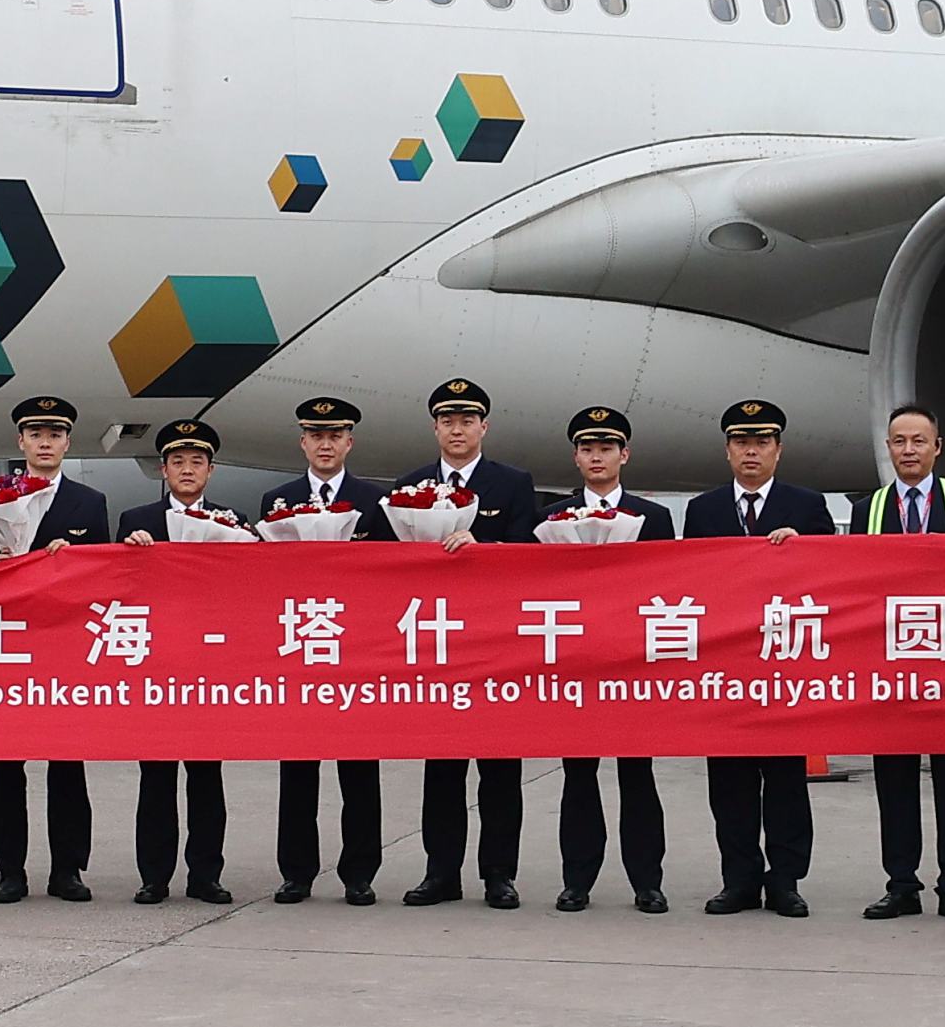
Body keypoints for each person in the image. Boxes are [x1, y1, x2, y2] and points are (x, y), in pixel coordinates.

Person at [683, 398, 829, 916]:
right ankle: (739, 878)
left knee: (786, 780)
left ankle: (786, 879)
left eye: (762, 441)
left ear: (778, 450)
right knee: (731, 781)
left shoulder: (807, 507)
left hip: (783, 663)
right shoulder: (703, 511)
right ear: (727, 451)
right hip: (726, 668)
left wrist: (804, 548)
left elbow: (830, 580)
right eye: (742, 442)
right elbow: (687, 586)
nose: (752, 450)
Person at [399, 377, 538, 907]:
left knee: (501, 768)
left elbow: (530, 551)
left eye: (467, 421)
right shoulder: (409, 487)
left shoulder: (513, 483)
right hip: (438, 644)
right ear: (435, 427)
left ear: (484, 426)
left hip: (496, 643)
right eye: (447, 421)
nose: (457, 430)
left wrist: (488, 546)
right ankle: (441, 873)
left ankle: (499, 874)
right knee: (442, 768)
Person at [859, 402, 945, 921]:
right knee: (894, 778)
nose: (908, 450)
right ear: (888, 448)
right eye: (899, 442)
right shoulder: (871, 507)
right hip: (892, 665)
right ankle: (901, 883)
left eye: (918, 441)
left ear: (938, 447)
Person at [542, 407, 674, 913]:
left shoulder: (653, 518)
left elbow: (669, 589)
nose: (597, 457)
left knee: (636, 775)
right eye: (588, 449)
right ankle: (578, 880)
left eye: (607, 448)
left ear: (625, 455)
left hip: (632, 665)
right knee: (578, 776)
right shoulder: (553, 519)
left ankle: (647, 881)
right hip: (577, 664)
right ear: (576, 457)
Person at [263, 394, 392, 903]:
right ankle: (297, 871)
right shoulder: (277, 499)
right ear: (303, 442)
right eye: (316, 436)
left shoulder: (377, 501)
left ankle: (359, 873)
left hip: (356, 651)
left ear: (349, 442)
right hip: (299, 648)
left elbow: (391, 578)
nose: (325, 444)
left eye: (334, 435)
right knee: (297, 771)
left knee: (360, 772)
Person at [0, 393, 111, 902]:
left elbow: (100, 579)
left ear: (66, 442)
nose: (45, 442)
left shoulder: (89, 503)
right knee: (6, 765)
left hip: (63, 648)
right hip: (8, 648)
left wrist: (67, 562)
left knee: (67, 764)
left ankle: (68, 871)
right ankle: (10, 871)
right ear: (21, 441)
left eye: (54, 434)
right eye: (36, 434)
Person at [115, 418, 238, 905]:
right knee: (157, 776)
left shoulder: (232, 521)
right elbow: (119, 586)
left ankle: (206, 875)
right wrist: (131, 554)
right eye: (178, 462)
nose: (188, 470)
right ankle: (154, 876)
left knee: (207, 776)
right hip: (157, 666)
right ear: (163, 469)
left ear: (211, 470)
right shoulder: (136, 520)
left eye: (197, 462)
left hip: (209, 666)